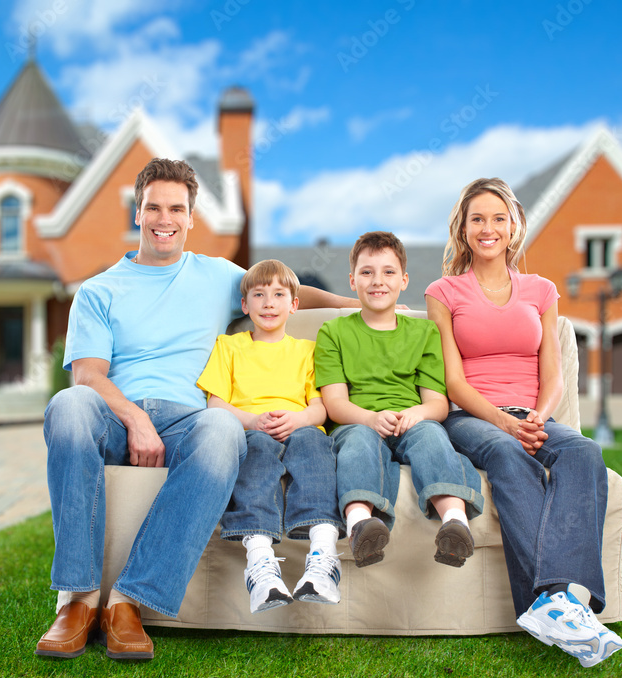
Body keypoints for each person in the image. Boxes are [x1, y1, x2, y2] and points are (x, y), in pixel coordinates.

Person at [36, 158, 359, 661]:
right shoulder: (99, 290)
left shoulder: (217, 277)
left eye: (177, 209)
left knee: (222, 428)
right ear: (137, 213)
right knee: (69, 405)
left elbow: (286, 291)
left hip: (190, 418)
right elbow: (88, 377)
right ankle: (77, 600)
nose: (165, 218)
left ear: (191, 217)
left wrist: (361, 304)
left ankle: (128, 601)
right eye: (154, 207)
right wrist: (136, 419)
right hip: (116, 417)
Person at [425, 178, 622, 668]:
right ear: (463, 229)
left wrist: (537, 415)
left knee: (583, 450)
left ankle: (556, 606)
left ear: (514, 227)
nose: (488, 228)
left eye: (498, 218)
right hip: (472, 415)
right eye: (477, 219)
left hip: (531, 413)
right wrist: (503, 423)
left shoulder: (542, 290)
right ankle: (558, 599)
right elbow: (452, 381)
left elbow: (552, 372)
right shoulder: (443, 291)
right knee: (509, 453)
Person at [316, 231, 483, 569]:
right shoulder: (332, 333)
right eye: (367, 272)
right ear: (352, 280)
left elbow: (437, 404)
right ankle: (360, 524)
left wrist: (415, 414)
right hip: (357, 421)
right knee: (359, 444)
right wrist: (369, 418)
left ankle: (454, 522)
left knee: (433, 435)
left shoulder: (424, 333)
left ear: (404, 280)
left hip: (412, 419)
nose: (378, 281)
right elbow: (335, 404)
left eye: (389, 272)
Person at [197, 259, 342, 614]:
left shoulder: (307, 350)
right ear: (245, 305)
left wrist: (298, 419)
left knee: (313, 443)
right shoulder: (228, 347)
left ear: (294, 304)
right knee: (257, 452)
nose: (268, 303)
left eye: (279, 295)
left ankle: (323, 555)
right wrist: (251, 421)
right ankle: (261, 563)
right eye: (259, 295)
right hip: (252, 429)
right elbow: (216, 403)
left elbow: (320, 407)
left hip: (300, 426)